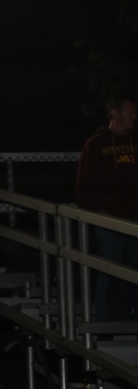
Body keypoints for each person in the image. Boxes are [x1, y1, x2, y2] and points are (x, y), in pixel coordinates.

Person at [75, 97, 138, 322]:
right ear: (115, 113)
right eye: (130, 111)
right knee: (107, 272)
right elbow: (83, 184)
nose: (135, 116)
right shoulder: (95, 145)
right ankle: (103, 324)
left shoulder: (135, 142)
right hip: (109, 220)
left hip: (135, 220)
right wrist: (97, 211)